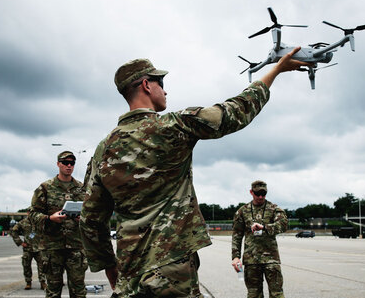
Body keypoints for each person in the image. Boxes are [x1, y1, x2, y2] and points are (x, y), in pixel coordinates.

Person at [79, 47, 310, 297]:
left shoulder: (103, 150)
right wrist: (275, 71)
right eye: (161, 82)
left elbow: (90, 220)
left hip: (128, 274)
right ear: (146, 85)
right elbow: (234, 112)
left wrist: (110, 268)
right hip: (172, 270)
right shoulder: (173, 126)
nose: (165, 90)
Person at [30, 151, 87, 298]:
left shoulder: (81, 188)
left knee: (79, 291)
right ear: (58, 164)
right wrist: (50, 218)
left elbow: (91, 214)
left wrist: (82, 218)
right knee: (53, 290)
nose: (69, 166)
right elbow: (32, 215)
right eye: (65, 162)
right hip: (52, 247)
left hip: (75, 247)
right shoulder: (45, 188)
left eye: (72, 163)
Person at [231, 180, 288, 298]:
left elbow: (283, 225)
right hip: (251, 260)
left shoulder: (274, 209)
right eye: (258, 194)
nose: (261, 197)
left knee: (277, 293)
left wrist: (265, 227)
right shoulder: (242, 211)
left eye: (263, 193)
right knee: (253, 294)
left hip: (271, 259)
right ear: (251, 192)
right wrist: (235, 257)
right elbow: (237, 235)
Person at [10, 209, 46, 290]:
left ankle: (42, 282)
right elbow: (14, 231)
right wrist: (20, 242)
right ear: (28, 213)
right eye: (30, 212)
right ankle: (28, 282)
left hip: (39, 248)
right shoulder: (23, 222)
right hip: (27, 248)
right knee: (26, 266)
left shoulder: (40, 222)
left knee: (42, 266)